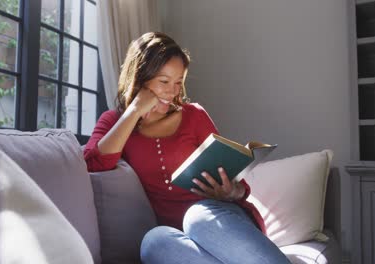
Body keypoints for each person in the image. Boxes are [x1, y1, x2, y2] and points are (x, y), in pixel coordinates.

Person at [83, 32, 290, 264]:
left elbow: (238, 184)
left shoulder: (194, 116)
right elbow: (93, 162)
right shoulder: (115, 122)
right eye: (164, 82)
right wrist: (134, 111)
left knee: (197, 216)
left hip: (222, 222)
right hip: (178, 239)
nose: (172, 92)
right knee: (153, 241)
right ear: (140, 78)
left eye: (178, 82)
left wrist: (231, 192)